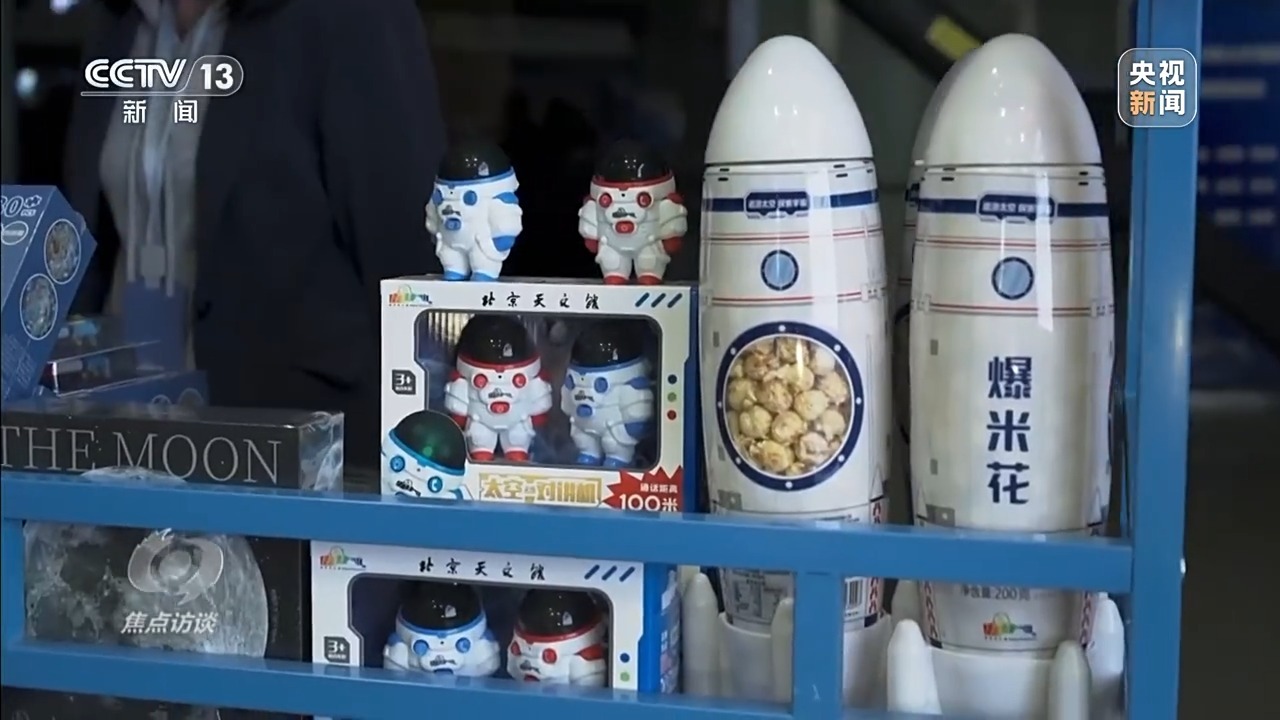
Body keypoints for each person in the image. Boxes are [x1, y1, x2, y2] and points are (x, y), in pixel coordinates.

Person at [63, 0, 446, 470]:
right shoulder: (118, 21)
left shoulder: (352, 14)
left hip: (290, 442)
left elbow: (406, 256)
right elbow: (86, 236)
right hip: (120, 431)